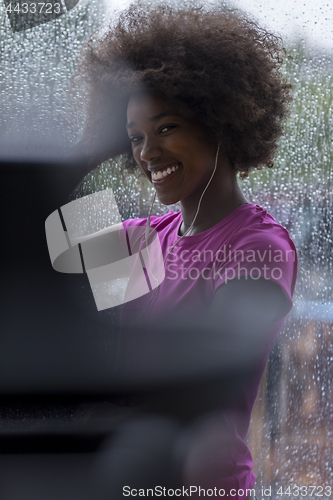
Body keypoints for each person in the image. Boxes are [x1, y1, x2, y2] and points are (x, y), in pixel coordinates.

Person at [67, 2, 298, 499]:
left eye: (166, 127)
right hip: (125, 481)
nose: (146, 153)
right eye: (134, 138)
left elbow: (211, 364)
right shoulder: (140, 237)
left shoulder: (259, 246)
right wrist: (90, 149)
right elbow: (32, 243)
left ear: (221, 121)